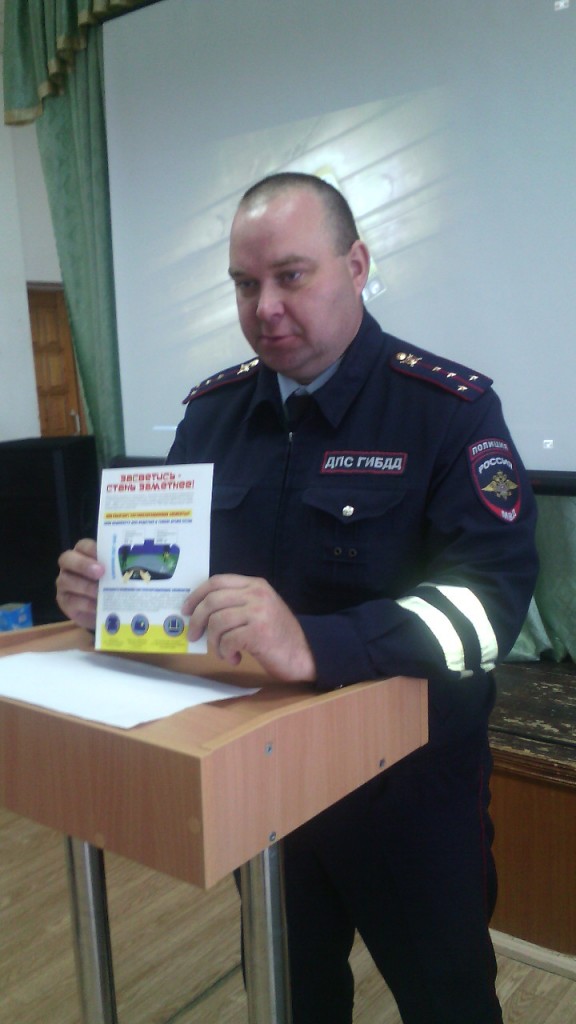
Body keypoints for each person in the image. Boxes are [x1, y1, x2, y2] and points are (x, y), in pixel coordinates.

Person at [56, 172, 538, 1024]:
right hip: (265, 781)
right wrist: (117, 597)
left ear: (356, 265)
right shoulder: (212, 415)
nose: (266, 307)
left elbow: (487, 608)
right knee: (290, 999)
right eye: (245, 284)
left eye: (291, 275)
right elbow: (187, 583)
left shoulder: (447, 410)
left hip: (409, 792)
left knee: (448, 1000)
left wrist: (317, 643)